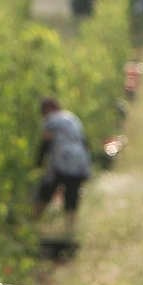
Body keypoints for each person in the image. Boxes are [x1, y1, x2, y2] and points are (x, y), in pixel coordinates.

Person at [35, 97, 91, 232]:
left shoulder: (51, 121)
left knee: (45, 192)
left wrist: (38, 162)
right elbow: (84, 142)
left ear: (47, 109)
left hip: (61, 162)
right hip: (79, 162)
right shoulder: (72, 118)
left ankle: (34, 224)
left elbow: (46, 143)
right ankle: (69, 229)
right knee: (72, 196)